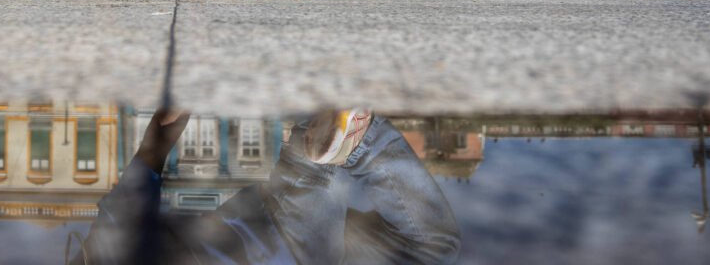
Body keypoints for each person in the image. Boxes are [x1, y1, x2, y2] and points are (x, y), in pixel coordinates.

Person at [72, 108, 461, 263]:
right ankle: (321, 142)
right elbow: (137, 182)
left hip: (291, 243)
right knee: (418, 245)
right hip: (268, 211)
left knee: (434, 248)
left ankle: (344, 141)